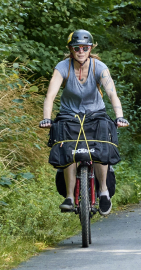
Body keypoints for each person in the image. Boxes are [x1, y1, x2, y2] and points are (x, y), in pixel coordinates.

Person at [39, 29, 129, 216]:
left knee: (101, 147)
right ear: (71, 49)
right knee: (68, 149)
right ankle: (70, 197)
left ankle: (104, 191)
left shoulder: (99, 67)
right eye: (77, 47)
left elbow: (112, 93)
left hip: (96, 114)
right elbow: (50, 95)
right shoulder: (63, 67)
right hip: (69, 115)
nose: (81, 51)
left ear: (91, 48)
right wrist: (47, 118)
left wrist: (119, 115)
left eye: (85, 47)